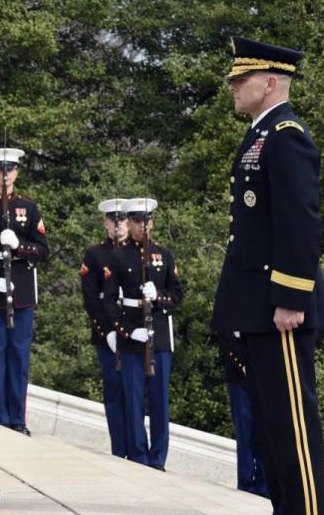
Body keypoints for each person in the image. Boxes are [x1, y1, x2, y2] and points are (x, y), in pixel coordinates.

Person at [212, 37, 324, 514]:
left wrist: (291, 298)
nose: (233, 87)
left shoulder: (286, 135)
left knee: (293, 424)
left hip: (281, 307)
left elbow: (301, 223)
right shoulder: (261, 134)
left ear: (270, 82)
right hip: (259, 305)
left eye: (241, 80)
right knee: (272, 423)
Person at [102, 198, 182, 470]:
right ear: (130, 223)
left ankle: (158, 458)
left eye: (146, 220)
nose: (142, 226)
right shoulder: (118, 256)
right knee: (134, 400)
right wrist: (127, 331)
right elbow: (110, 301)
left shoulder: (164, 254)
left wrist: (158, 297)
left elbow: (177, 294)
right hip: (132, 334)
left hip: (158, 334)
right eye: (136, 221)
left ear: (153, 222)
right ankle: (138, 455)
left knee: (159, 400)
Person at [0, 147, 48, 436]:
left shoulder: (29, 208)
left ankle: (17, 419)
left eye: (10, 169)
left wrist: (19, 245)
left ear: (17, 173)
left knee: (19, 356)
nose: (4, 174)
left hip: (21, 295)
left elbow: (43, 250)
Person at [80, 198, 129, 458]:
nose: (119, 224)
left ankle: (136, 449)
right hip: (107, 332)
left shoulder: (138, 253)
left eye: (122, 220)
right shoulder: (95, 254)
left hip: (133, 331)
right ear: (105, 223)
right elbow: (90, 299)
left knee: (133, 393)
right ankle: (118, 448)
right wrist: (106, 331)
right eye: (114, 220)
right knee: (113, 388)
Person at [214, 330, 269, 497]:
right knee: (244, 433)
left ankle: (264, 484)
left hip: (265, 376)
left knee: (265, 434)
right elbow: (225, 333)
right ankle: (246, 483)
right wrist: (244, 365)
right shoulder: (230, 303)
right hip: (239, 376)